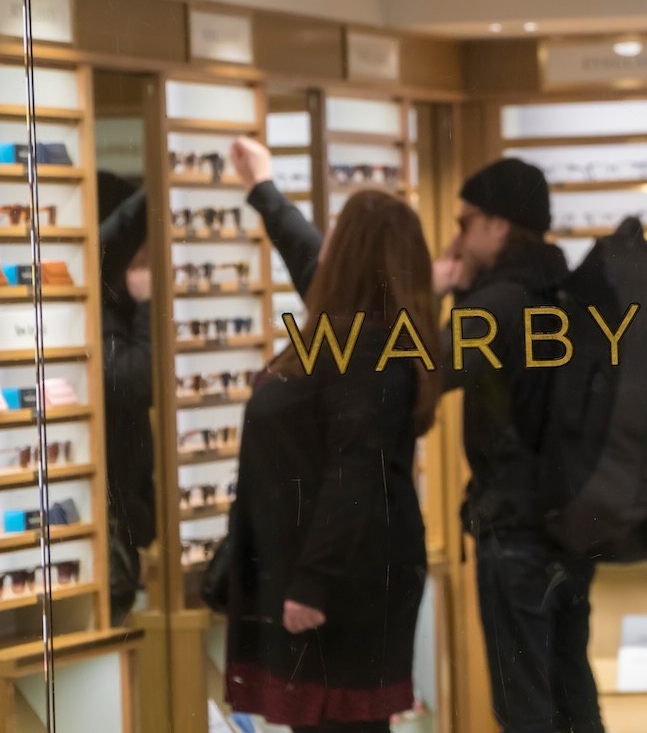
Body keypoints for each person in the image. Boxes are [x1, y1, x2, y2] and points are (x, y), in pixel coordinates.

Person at [223, 137, 439, 733]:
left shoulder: (365, 351)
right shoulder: (365, 336)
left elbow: (355, 474)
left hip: (335, 584)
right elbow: (308, 256)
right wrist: (263, 191)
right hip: (327, 571)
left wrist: (312, 584)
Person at [432, 158, 605, 733]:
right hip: (571, 523)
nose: (457, 237)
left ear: (498, 226)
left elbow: (422, 373)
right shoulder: (572, 293)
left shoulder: (495, 304)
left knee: (523, 700)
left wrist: (439, 295)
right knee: (569, 683)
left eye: (465, 222)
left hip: (513, 529)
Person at [97, 171, 157, 625]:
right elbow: (134, 382)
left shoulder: (115, 306)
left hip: (127, 513)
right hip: (112, 519)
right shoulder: (100, 311)